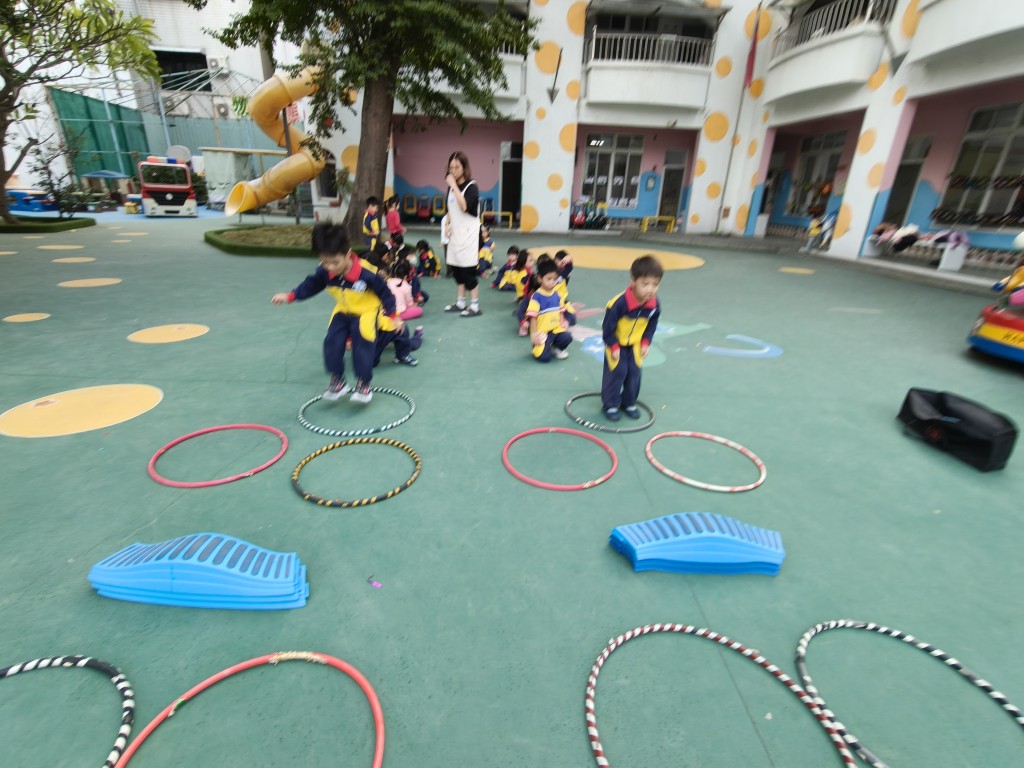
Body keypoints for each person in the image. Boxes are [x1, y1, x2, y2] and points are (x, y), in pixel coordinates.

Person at [271, 222, 401, 404]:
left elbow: (385, 293)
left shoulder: (366, 274)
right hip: (343, 309)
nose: (330, 267)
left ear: (347, 254)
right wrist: (291, 296)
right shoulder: (325, 272)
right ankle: (338, 381)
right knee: (332, 341)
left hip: (366, 312)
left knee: (363, 344)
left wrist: (393, 316)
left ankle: (363, 383)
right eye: (324, 262)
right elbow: (311, 285)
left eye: (334, 262)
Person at [601, 255, 663, 421]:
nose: (650, 289)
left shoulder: (654, 304)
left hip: (635, 344)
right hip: (616, 343)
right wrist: (613, 346)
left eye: (655, 284)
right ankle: (610, 404)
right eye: (645, 284)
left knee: (634, 372)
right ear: (633, 281)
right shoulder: (618, 304)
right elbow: (607, 329)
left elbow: (652, 325)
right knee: (618, 372)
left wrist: (646, 342)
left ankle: (628, 402)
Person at [441, 151, 483, 317]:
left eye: (457, 167)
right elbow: (450, 209)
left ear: (464, 167)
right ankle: (460, 302)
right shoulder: (451, 188)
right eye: (451, 168)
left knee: (468, 272)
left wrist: (453, 185)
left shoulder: (472, 187)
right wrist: (447, 224)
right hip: (455, 234)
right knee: (457, 269)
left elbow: (465, 206)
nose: (453, 171)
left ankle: (474, 306)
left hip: (469, 236)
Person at [525, 257, 572, 362]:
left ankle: (557, 347)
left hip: (555, 330)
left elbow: (560, 311)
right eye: (549, 279)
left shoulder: (557, 295)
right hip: (542, 333)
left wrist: (562, 322)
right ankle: (537, 348)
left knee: (567, 337)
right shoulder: (537, 296)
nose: (552, 282)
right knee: (545, 358)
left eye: (555, 279)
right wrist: (535, 335)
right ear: (540, 279)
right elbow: (533, 318)